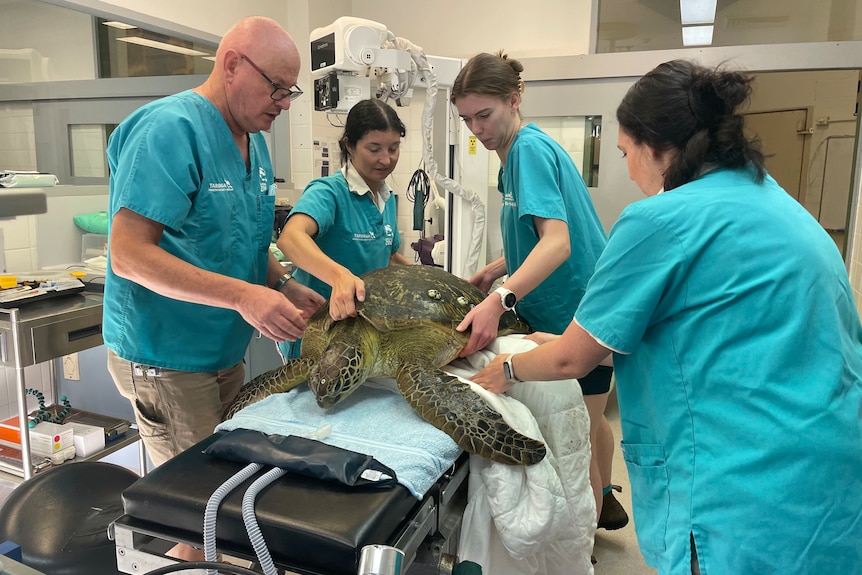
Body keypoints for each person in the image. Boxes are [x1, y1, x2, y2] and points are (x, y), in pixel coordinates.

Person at [471, 59, 862, 574]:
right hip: (827, 473)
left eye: (625, 152)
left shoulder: (662, 218)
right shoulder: (780, 204)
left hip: (738, 489)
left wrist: (507, 368)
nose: (628, 170)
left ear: (655, 147)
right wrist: (568, 337)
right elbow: (712, 321)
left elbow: (571, 360)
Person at [103, 16, 326, 559]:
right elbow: (129, 254)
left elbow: (237, 239)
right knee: (204, 518)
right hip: (169, 358)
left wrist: (281, 281)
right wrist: (245, 297)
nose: (285, 103)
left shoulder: (253, 141)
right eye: (277, 88)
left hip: (221, 353)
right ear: (232, 65)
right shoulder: (169, 129)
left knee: (228, 502)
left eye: (290, 91)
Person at [450, 51, 628, 533]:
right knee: (593, 422)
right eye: (466, 119)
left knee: (578, 440)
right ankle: (607, 496)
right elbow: (535, 234)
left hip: (576, 314)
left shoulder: (527, 150)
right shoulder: (519, 153)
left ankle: (581, 547)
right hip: (581, 305)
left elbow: (558, 242)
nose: (476, 130)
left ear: (515, 98)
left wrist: (499, 298)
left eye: (484, 115)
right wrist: (492, 271)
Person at [276, 98, 412, 358]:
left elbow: (389, 257)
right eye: (374, 149)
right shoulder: (329, 193)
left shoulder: (386, 197)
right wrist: (339, 277)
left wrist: (438, 284)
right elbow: (290, 238)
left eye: (393, 148)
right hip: (319, 335)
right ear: (349, 145)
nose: (386, 159)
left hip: (363, 334)